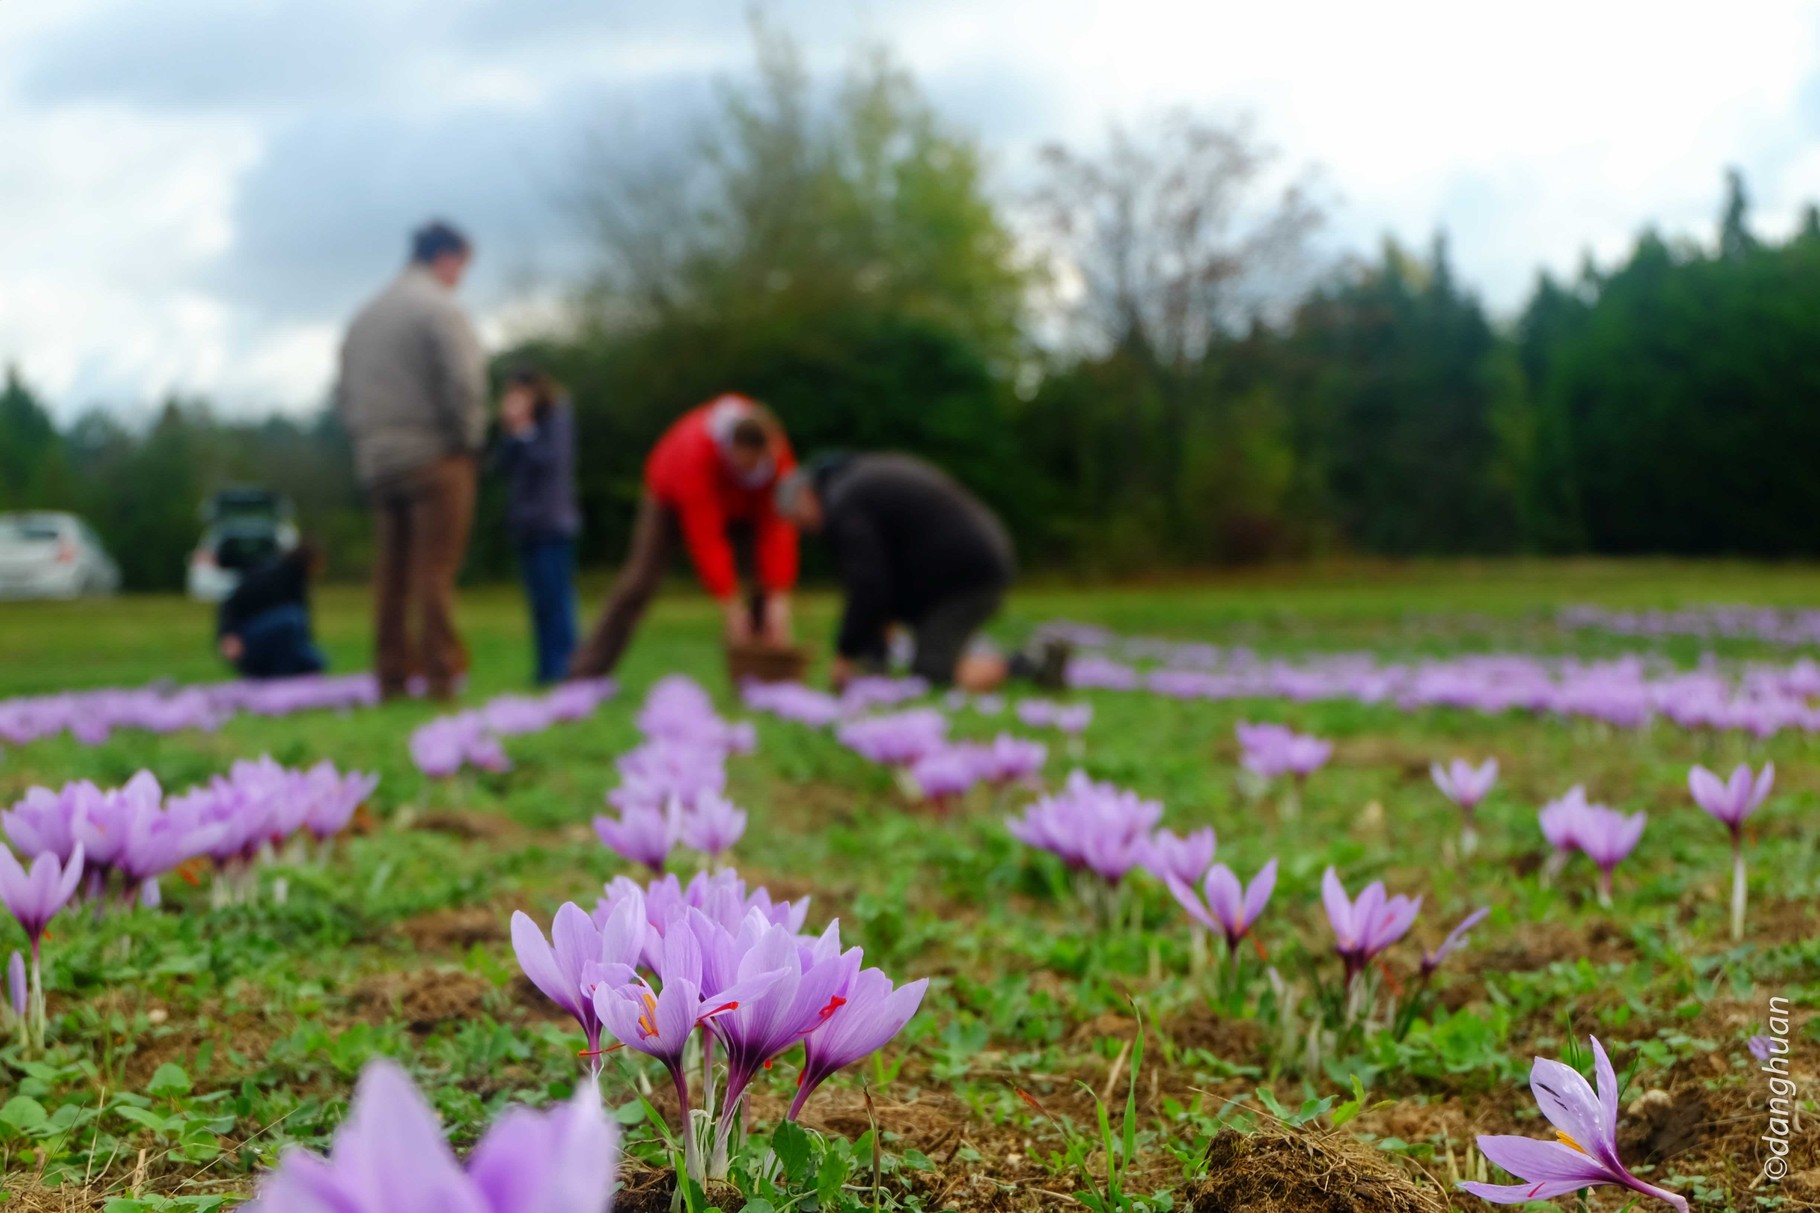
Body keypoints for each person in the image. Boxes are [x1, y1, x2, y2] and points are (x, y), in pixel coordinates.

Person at [334, 220, 486, 701]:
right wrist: (469, 439)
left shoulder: (365, 316)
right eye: (461, 267)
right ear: (446, 258)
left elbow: (343, 394)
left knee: (392, 575)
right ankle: (441, 673)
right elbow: (464, 381)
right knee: (435, 570)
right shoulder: (438, 308)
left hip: (378, 461)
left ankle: (391, 674)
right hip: (434, 455)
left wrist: (368, 442)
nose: (459, 278)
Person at [775, 452, 1065, 692]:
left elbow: (869, 585)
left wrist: (845, 653)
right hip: (963, 565)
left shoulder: (842, 505)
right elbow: (885, 582)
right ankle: (1023, 660)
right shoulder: (854, 484)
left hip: (967, 575)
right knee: (930, 653)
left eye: (798, 519)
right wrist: (875, 650)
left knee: (931, 670)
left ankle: (1031, 662)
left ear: (806, 495)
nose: (804, 531)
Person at [568, 394, 796, 678]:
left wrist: (778, 596)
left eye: (756, 466)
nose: (750, 471)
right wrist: (730, 606)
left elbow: (777, 528)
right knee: (639, 581)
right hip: (670, 497)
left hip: (745, 504)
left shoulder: (777, 455)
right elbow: (706, 536)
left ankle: (765, 675)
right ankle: (585, 674)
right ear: (730, 450)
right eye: (744, 465)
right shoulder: (696, 454)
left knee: (765, 585)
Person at [494, 366, 580, 684]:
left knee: (556, 597)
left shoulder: (556, 419)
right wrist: (513, 431)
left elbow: (547, 461)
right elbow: (501, 465)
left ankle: (567, 666)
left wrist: (525, 429)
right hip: (525, 524)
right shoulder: (519, 429)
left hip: (552, 522)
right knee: (539, 602)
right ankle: (547, 669)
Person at [217, 541, 328, 679]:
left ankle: (277, 674)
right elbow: (231, 602)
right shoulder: (273, 574)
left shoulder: (297, 585)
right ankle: (278, 676)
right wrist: (228, 634)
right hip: (247, 642)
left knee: (318, 660)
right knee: (292, 619)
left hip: (274, 645)